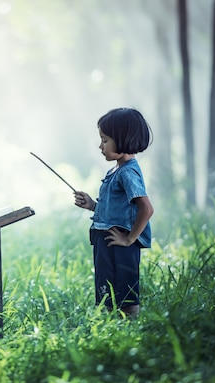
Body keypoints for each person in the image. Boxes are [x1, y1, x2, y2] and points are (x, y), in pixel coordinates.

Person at [73, 108, 154, 318]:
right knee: (107, 293)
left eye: (105, 140)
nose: (100, 146)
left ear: (123, 139)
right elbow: (115, 207)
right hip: (107, 241)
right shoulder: (115, 171)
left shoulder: (128, 172)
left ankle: (131, 329)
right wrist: (92, 205)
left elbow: (146, 208)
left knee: (125, 295)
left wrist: (129, 239)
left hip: (121, 244)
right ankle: (113, 329)